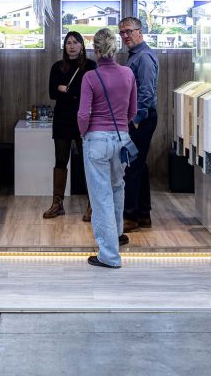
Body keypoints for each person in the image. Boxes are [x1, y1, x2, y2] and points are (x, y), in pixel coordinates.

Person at [78, 28, 137, 269]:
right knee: (117, 188)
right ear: (115, 47)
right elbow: (132, 111)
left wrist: (85, 134)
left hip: (97, 140)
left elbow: (83, 114)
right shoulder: (128, 73)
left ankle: (109, 255)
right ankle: (117, 236)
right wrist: (121, 127)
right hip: (122, 139)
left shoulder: (90, 77)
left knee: (100, 196)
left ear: (96, 50)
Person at [44, 31, 97, 220]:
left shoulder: (91, 66)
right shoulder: (57, 67)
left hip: (84, 119)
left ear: (82, 45)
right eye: (68, 43)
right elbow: (52, 93)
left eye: (75, 42)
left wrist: (66, 89)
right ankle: (57, 204)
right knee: (60, 161)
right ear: (64, 46)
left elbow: (90, 92)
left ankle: (92, 204)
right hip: (62, 119)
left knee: (87, 162)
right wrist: (73, 92)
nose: (72, 46)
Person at [118, 16, 159, 233]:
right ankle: (143, 215)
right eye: (122, 32)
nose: (125, 36)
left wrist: (135, 120)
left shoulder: (143, 57)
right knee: (140, 166)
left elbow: (146, 92)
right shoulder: (135, 55)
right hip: (139, 118)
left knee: (132, 167)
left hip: (141, 119)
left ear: (140, 32)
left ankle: (131, 216)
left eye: (128, 31)